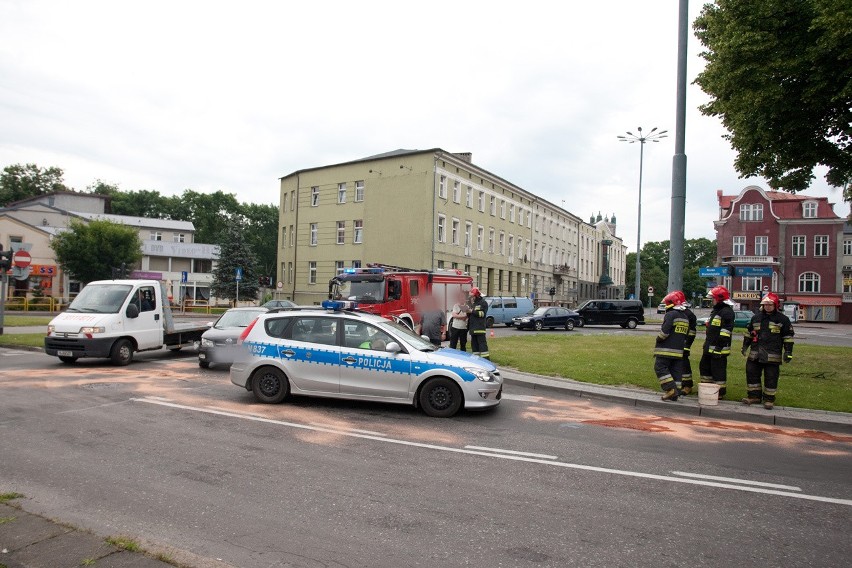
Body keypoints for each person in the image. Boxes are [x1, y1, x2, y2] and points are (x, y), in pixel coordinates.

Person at [741, 292, 794, 410]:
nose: (767, 307)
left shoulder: (783, 319)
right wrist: (745, 346)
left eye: (770, 305)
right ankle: (754, 397)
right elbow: (749, 333)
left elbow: (788, 337)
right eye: (765, 304)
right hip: (755, 354)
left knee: (771, 377)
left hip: (772, 355)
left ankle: (769, 400)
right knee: (752, 374)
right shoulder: (756, 317)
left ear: (776, 305)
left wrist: (788, 352)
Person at [699, 285, 735, 398]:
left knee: (718, 371)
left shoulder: (727, 312)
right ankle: (706, 389)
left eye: (713, 299)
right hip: (710, 347)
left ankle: (719, 392)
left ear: (719, 299)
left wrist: (718, 348)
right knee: (704, 367)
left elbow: (725, 332)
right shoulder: (716, 311)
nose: (712, 301)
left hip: (719, 349)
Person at [653, 291, 690, 401]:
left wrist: (658, 339)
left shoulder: (670, 315)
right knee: (676, 371)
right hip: (679, 351)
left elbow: (664, 333)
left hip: (666, 350)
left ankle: (670, 389)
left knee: (660, 367)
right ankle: (676, 392)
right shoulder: (685, 317)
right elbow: (686, 335)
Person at [679, 301, 698, 395]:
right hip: (676, 343)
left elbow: (692, 332)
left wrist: (686, 345)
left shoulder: (688, 314)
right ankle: (680, 384)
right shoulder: (678, 312)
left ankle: (687, 385)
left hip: (684, 344)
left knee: (684, 364)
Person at [467, 287, 490, 359]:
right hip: (473, 329)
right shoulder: (474, 304)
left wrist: (472, 311)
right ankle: (476, 361)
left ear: (476, 295)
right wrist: (468, 312)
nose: (471, 298)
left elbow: (482, 314)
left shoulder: (483, 303)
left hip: (479, 329)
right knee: (474, 346)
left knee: (482, 346)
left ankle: (486, 360)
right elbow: (472, 316)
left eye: (472, 296)